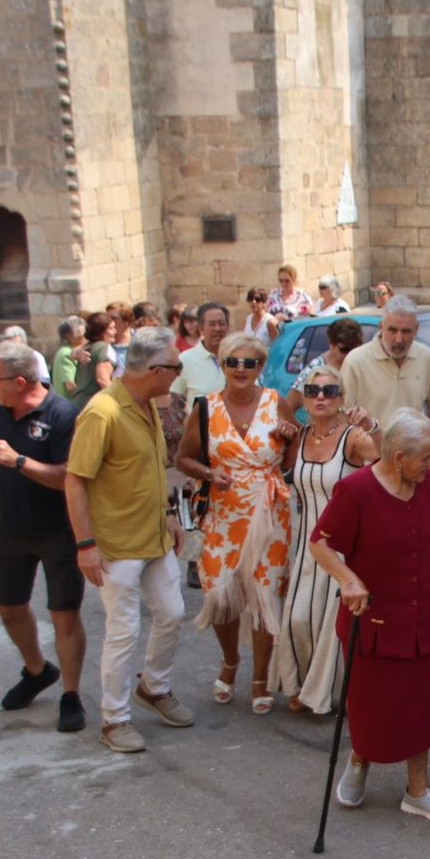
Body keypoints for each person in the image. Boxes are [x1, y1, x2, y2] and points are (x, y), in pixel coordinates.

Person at [309, 409, 430, 822]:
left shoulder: (428, 484)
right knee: (372, 707)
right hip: (372, 619)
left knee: (420, 708)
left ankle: (417, 791)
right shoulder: (356, 491)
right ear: (397, 456)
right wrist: (347, 579)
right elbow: (320, 543)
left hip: (422, 616)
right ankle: (360, 761)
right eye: (426, 456)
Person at [65, 326, 193, 754]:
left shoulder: (148, 403)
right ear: (156, 370)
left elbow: (153, 469)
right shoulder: (103, 412)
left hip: (154, 535)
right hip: (116, 543)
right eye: (175, 366)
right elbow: (76, 480)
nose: (179, 372)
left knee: (172, 613)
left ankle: (154, 688)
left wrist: (171, 515)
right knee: (123, 631)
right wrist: (86, 544)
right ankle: (114, 719)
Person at [0, 341, 88, 733]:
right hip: (10, 527)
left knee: (63, 613)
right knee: (9, 607)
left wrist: (19, 461)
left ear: (19, 381)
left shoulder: (63, 415)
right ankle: (36, 670)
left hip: (57, 530)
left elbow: (69, 476)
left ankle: (71, 694)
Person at [175, 334, 296, 714]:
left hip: (270, 512)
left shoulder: (277, 404)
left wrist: (291, 438)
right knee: (221, 596)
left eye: (249, 363)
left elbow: (294, 461)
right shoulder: (206, 408)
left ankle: (260, 676)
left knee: (264, 595)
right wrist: (209, 473)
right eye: (232, 362)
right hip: (223, 516)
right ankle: (230, 660)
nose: (241, 370)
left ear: (260, 367)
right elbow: (183, 459)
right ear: (222, 366)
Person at [271, 365, 377, 713]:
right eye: (313, 391)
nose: (320, 397)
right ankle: (300, 682)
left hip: (341, 547)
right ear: (302, 398)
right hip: (305, 542)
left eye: (329, 391)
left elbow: (386, 474)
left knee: (334, 624)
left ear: (342, 399)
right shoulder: (300, 436)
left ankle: (331, 695)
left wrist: (372, 427)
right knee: (298, 617)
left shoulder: (353, 437)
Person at [170, 302, 230, 589]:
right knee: (198, 504)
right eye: (212, 323)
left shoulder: (239, 356)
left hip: (235, 446)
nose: (217, 328)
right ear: (200, 327)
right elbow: (172, 400)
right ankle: (196, 561)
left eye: (222, 323)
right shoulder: (187, 359)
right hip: (200, 447)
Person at [340, 294, 430, 446]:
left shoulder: (425, 357)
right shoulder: (355, 361)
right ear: (381, 327)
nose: (399, 339)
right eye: (392, 330)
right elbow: (342, 418)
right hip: (370, 463)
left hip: (414, 462)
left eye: (406, 331)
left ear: (416, 329)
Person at [278, 316, 366, 422]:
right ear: (331, 344)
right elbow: (287, 409)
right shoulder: (315, 369)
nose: (350, 354)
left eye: (355, 349)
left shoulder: (363, 364)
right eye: (345, 349)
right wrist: (299, 433)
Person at [69, 311, 116, 409]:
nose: (115, 331)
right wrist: (117, 401)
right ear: (101, 331)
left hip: (79, 402)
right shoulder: (103, 347)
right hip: (93, 404)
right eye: (111, 328)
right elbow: (102, 379)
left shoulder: (88, 347)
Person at [50, 314, 86, 399]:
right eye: (82, 335)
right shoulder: (66, 353)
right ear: (70, 337)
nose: (85, 338)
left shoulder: (69, 351)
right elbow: (70, 386)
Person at [106, 301, 135, 372]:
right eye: (107, 318)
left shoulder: (140, 339)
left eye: (114, 318)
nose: (109, 322)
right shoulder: (103, 342)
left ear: (126, 322)